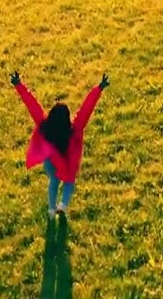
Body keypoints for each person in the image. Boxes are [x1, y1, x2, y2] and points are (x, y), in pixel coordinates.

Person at [11, 71, 109, 218]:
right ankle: (63, 205)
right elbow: (86, 109)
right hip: (68, 161)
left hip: (51, 161)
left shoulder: (45, 126)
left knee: (54, 182)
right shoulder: (75, 129)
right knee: (69, 181)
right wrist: (99, 88)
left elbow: (32, 105)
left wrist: (19, 85)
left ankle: (51, 210)